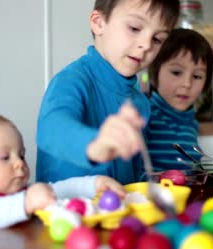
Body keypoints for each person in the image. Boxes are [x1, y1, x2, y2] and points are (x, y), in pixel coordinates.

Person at [36, 0, 180, 185]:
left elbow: (132, 173)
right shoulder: (72, 80)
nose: (146, 45)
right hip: (64, 209)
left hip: (117, 210)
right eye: (135, 28)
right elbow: (51, 130)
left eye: (157, 39)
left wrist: (155, 180)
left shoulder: (140, 103)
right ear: (98, 22)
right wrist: (96, 145)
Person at [0, 114, 125, 238]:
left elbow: (58, 190)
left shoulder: (19, 193)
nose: (19, 163)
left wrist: (93, 184)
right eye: (4, 157)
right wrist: (25, 203)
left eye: (21, 155)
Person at [146, 28, 213, 172]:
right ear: (153, 74)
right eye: (176, 72)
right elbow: (134, 175)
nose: (187, 84)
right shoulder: (145, 116)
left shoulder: (190, 123)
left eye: (197, 76)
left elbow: (190, 171)